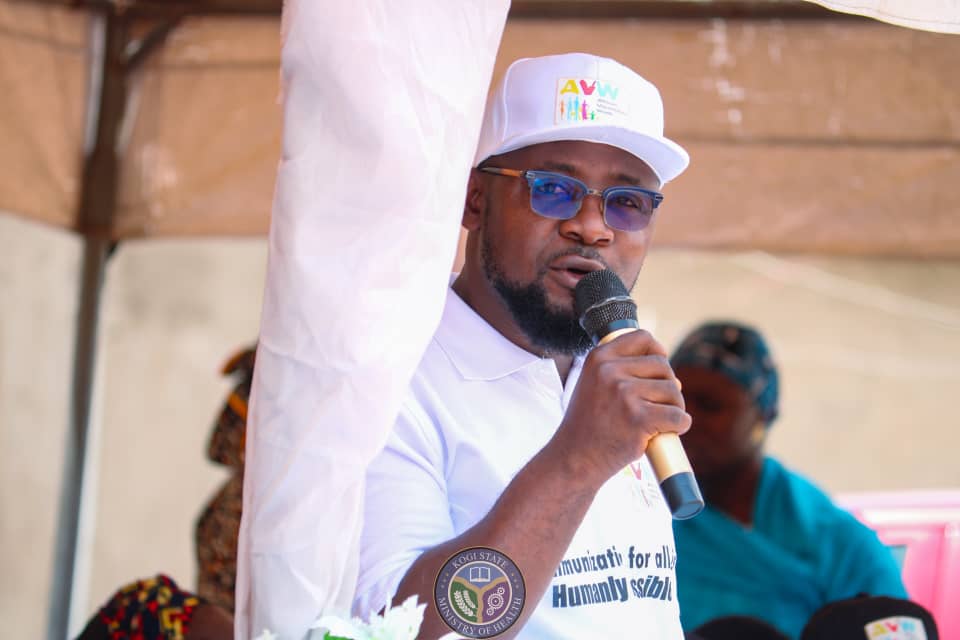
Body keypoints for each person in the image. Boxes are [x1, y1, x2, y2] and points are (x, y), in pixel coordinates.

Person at [354, 52, 692, 639]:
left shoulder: (613, 377)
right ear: (474, 201)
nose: (593, 227)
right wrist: (577, 461)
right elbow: (404, 633)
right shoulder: (388, 381)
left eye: (627, 202)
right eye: (554, 190)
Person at [670, 321, 907, 639]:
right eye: (676, 400)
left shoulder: (836, 543)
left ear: (763, 415)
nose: (685, 420)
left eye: (710, 406)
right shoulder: (647, 514)